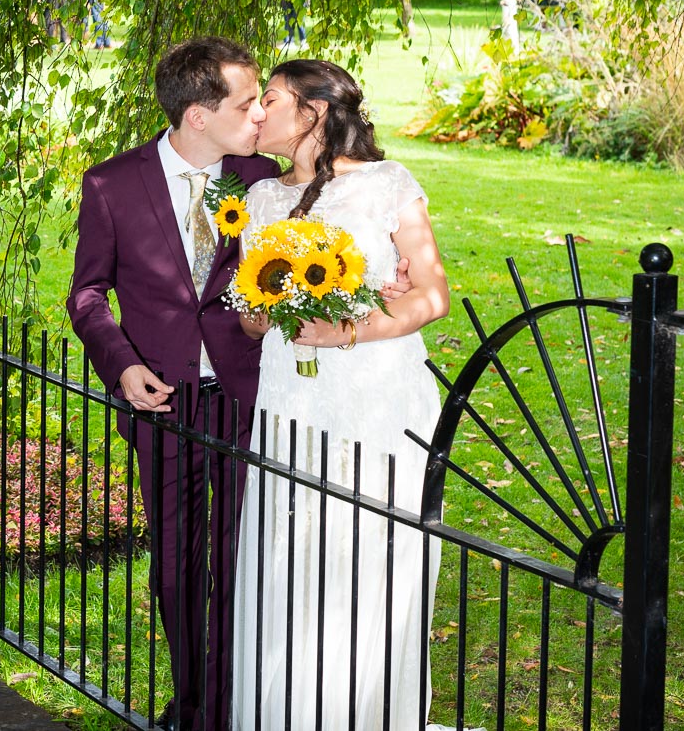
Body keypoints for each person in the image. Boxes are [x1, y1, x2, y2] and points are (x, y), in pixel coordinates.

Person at [230, 59, 451, 731]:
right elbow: (248, 316)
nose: (257, 112)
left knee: (367, 556)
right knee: (287, 557)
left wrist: (349, 328)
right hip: (289, 400)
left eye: (269, 99)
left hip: (377, 399)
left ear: (315, 111)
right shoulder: (262, 198)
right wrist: (277, 304)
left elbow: (433, 297)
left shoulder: (388, 185)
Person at [67, 36, 280, 731]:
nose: (258, 114)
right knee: (177, 569)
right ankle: (193, 700)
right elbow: (87, 294)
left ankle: (226, 705)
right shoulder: (110, 184)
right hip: (163, 402)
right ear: (198, 114)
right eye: (246, 102)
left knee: (243, 558)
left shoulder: (259, 177)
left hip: (249, 398)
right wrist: (121, 362)